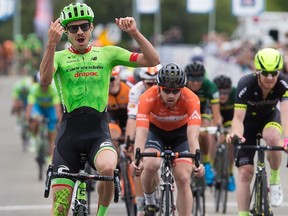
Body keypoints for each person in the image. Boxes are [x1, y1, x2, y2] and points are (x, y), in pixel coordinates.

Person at [39, 2, 160, 216]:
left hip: (98, 133)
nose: (79, 32)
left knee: (107, 169)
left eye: (84, 26)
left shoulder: (107, 53)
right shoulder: (58, 57)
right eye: (73, 28)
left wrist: (134, 32)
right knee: (60, 208)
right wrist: (50, 45)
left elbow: (153, 60)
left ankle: (100, 214)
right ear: (66, 32)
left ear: (92, 28)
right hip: (69, 136)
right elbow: (45, 80)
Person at [131, 63, 205, 216]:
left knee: (184, 178)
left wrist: (196, 161)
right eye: (166, 90)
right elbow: (141, 132)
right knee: (151, 164)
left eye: (175, 91)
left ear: (182, 89)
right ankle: (150, 201)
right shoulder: (147, 97)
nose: (171, 95)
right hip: (156, 132)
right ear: (159, 87)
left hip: (180, 135)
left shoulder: (191, 98)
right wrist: (137, 160)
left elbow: (193, 134)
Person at [226, 47, 288, 216]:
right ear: (257, 71)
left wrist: (287, 140)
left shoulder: (283, 83)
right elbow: (238, 118)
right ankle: (243, 214)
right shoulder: (245, 84)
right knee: (245, 173)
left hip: (269, 119)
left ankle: (275, 181)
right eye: (265, 73)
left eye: (274, 73)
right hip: (248, 124)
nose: (270, 77)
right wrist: (237, 135)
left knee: (273, 137)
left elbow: (286, 113)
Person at [125, 64, 161, 215]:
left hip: (161, 123)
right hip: (144, 124)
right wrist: (129, 140)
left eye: (154, 83)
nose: (151, 86)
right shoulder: (136, 90)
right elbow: (132, 118)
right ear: (143, 81)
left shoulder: (166, 90)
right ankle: (141, 204)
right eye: (148, 83)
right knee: (140, 163)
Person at [184, 60, 222, 186]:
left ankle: (206, 162)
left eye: (199, 80)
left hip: (203, 111)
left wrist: (217, 127)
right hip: (186, 112)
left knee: (204, 133)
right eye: (192, 80)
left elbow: (216, 113)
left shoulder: (209, 86)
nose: (195, 83)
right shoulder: (182, 84)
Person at [25, 72, 62, 156]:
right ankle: (34, 138)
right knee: (35, 121)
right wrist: (28, 119)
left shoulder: (53, 90)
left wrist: (59, 121)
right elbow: (30, 105)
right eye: (42, 85)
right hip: (39, 108)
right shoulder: (34, 89)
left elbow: (57, 107)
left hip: (50, 109)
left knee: (52, 135)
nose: (44, 87)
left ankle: (50, 157)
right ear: (38, 83)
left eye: (46, 85)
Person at [213, 74, 236, 192]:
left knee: (231, 142)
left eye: (226, 92)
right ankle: (211, 167)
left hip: (230, 119)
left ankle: (230, 173)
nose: (223, 96)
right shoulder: (211, 94)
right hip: (214, 117)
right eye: (220, 93)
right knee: (212, 135)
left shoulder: (235, 94)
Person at [108, 65, 131, 143]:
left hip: (128, 116)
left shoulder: (129, 89)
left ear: (119, 78)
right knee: (112, 138)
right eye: (106, 79)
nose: (110, 83)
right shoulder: (100, 92)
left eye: (112, 79)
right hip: (111, 117)